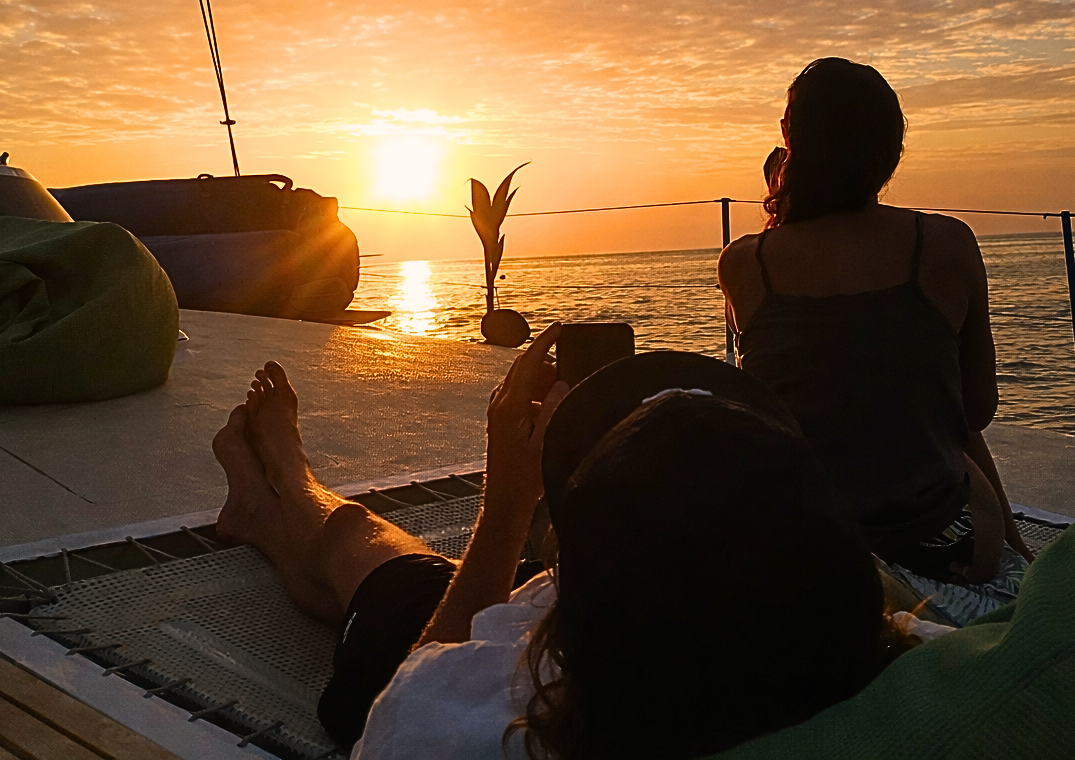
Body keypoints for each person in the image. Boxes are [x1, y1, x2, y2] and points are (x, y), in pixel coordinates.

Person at [214, 325, 933, 759]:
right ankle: (257, 510)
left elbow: (413, 684)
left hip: (409, 637)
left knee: (369, 556)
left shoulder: (460, 717)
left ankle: (286, 477)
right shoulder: (890, 673)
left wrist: (508, 505)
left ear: (576, 622)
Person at [719, 57, 1033, 584]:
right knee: (949, 434)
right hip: (941, 545)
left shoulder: (745, 263)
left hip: (804, 543)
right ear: (892, 147)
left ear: (789, 140)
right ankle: (1017, 553)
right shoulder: (947, 244)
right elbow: (973, 412)